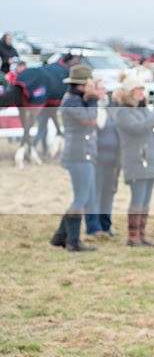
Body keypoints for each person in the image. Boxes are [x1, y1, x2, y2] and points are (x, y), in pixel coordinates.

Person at [113, 75, 154, 246]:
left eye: (141, 89)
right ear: (129, 93)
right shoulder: (123, 112)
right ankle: (133, 236)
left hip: (149, 160)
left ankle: (141, 234)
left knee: (145, 201)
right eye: (137, 89)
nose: (141, 92)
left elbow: (153, 126)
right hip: (136, 161)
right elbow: (137, 128)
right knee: (137, 200)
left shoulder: (142, 109)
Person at [50, 65, 99, 252]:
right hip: (78, 155)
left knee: (82, 197)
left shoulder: (76, 99)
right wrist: (93, 100)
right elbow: (90, 120)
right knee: (81, 199)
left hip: (82, 153)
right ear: (84, 84)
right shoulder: (73, 101)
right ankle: (73, 241)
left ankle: (60, 236)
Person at [85, 80, 121, 238]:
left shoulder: (111, 110)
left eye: (104, 89)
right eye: (100, 89)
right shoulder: (91, 109)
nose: (103, 92)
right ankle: (93, 227)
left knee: (108, 192)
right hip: (97, 159)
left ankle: (106, 225)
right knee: (96, 193)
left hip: (112, 159)